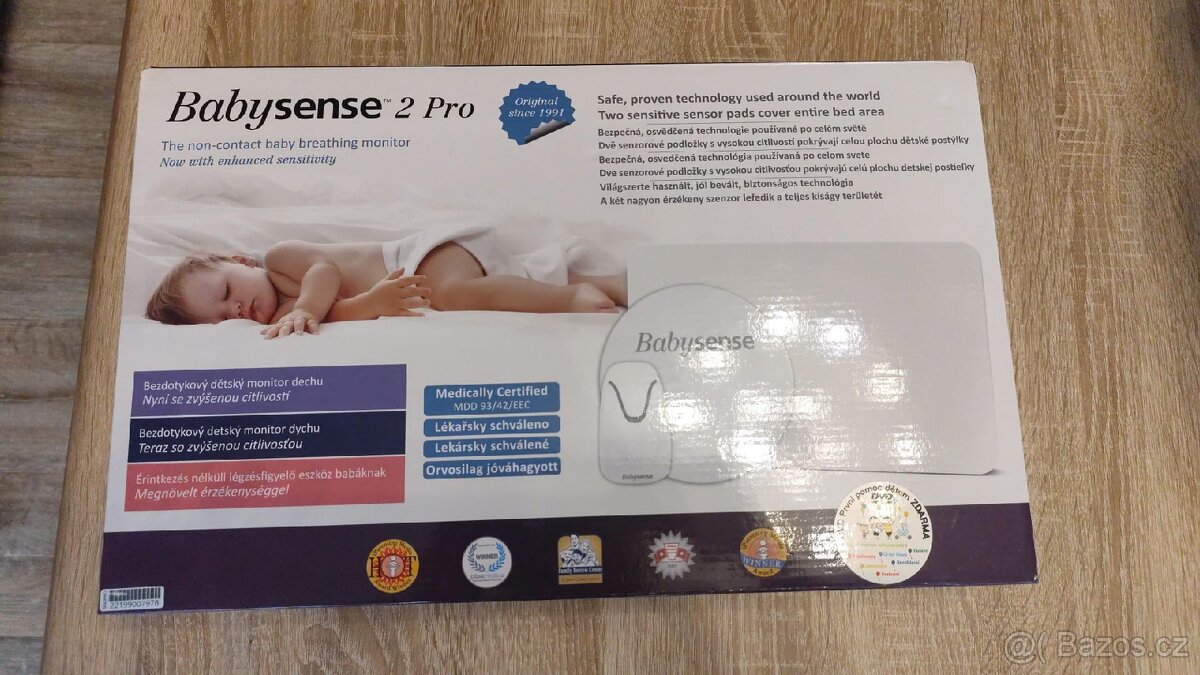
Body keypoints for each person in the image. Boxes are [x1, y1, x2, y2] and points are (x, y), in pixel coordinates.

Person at [145, 239, 628, 338]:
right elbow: (343, 313)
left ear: (240, 262)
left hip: (419, 255)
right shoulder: (278, 318)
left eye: (227, 291)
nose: (237, 308)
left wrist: (308, 307)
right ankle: (610, 285)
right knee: (479, 292)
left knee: (453, 295)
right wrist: (369, 305)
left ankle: (568, 301)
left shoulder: (278, 261)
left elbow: (323, 272)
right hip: (416, 278)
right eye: (222, 315)